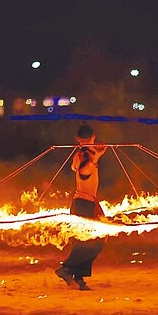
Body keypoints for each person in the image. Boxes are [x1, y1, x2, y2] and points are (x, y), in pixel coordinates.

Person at [55, 123, 107, 290]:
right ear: (93, 137)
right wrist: (96, 157)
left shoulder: (81, 152)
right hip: (83, 203)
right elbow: (84, 172)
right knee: (94, 242)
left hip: (85, 202)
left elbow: (74, 167)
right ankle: (67, 269)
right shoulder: (86, 154)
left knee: (85, 241)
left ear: (78, 139)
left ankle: (79, 278)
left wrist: (94, 153)